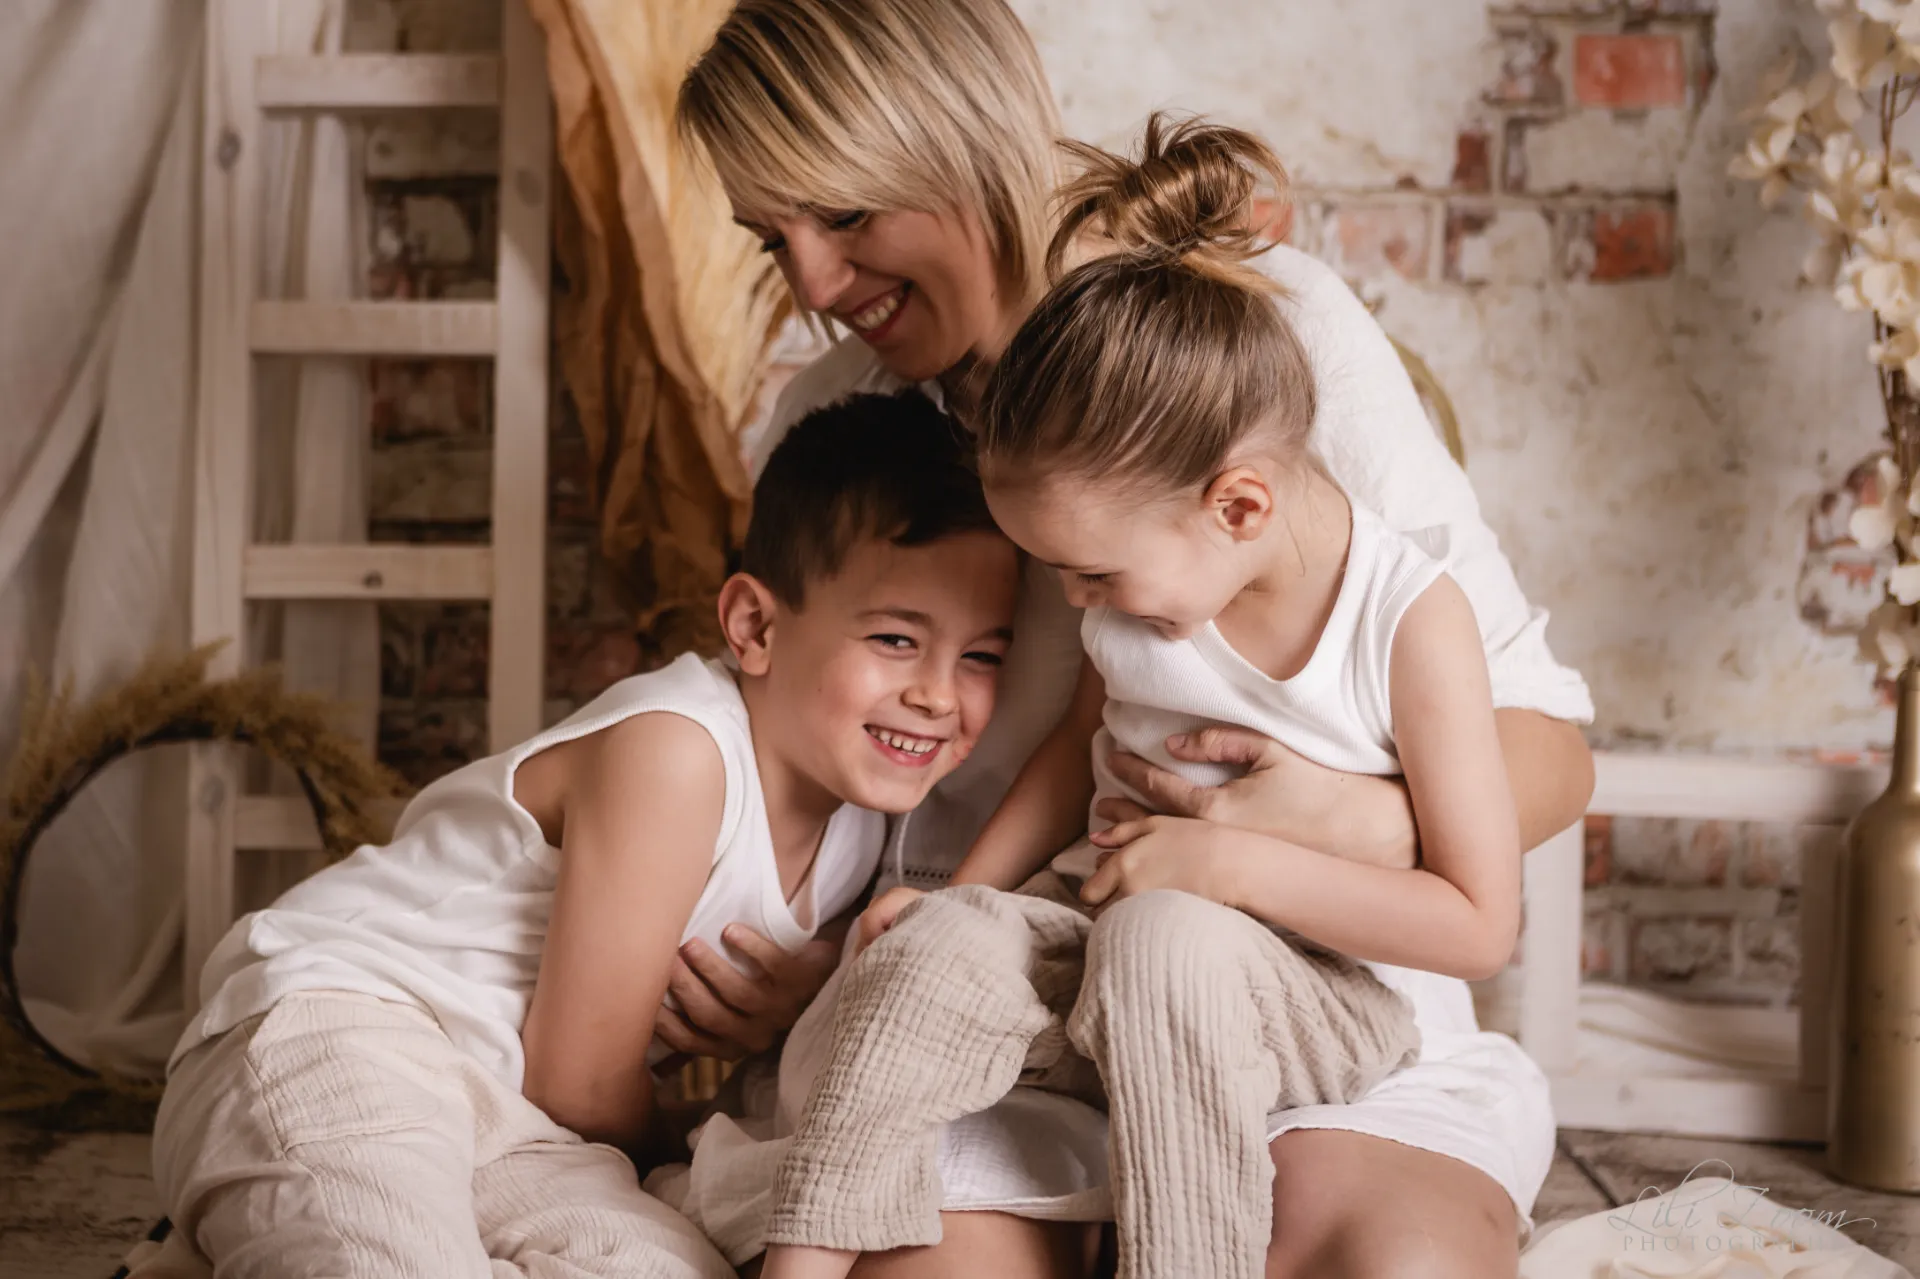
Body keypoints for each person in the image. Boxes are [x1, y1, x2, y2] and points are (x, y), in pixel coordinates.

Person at [669, 2, 1596, 1275]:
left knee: (1382, 1262)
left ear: (964, 139)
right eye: (772, 239)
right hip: (1011, 989)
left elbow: (1552, 749)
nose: (816, 288)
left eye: (844, 216)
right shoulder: (847, 416)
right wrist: (823, 963)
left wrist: (1355, 825)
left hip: (1300, 989)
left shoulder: (1259, 336)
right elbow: (821, 755)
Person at [137, 391, 1021, 1279]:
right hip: (347, 1030)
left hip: (530, 1132)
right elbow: (581, 1078)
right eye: (897, 639)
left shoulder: (866, 821)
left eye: (982, 655)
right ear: (754, 625)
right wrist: (691, 1147)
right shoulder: (678, 750)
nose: (940, 694)